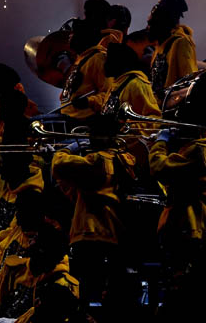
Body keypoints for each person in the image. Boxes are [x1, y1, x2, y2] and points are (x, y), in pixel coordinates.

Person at [51, 113, 142, 318]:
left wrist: (65, 149)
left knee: (84, 289)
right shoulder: (126, 159)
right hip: (115, 231)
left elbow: (59, 165)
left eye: (92, 134)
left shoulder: (95, 160)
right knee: (112, 291)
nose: (90, 138)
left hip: (90, 231)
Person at [149, 116, 206, 320]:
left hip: (189, 226)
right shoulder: (201, 149)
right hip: (194, 226)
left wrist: (160, 143)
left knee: (185, 289)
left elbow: (159, 168)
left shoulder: (197, 150)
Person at [0, 225, 77, 323]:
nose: (30, 241)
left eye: (35, 239)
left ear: (43, 250)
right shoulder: (14, 268)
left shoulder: (62, 286)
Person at [146, 0, 196, 99]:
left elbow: (189, 86)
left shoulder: (180, 43)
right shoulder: (160, 46)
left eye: (151, 23)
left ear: (163, 21)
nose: (147, 28)